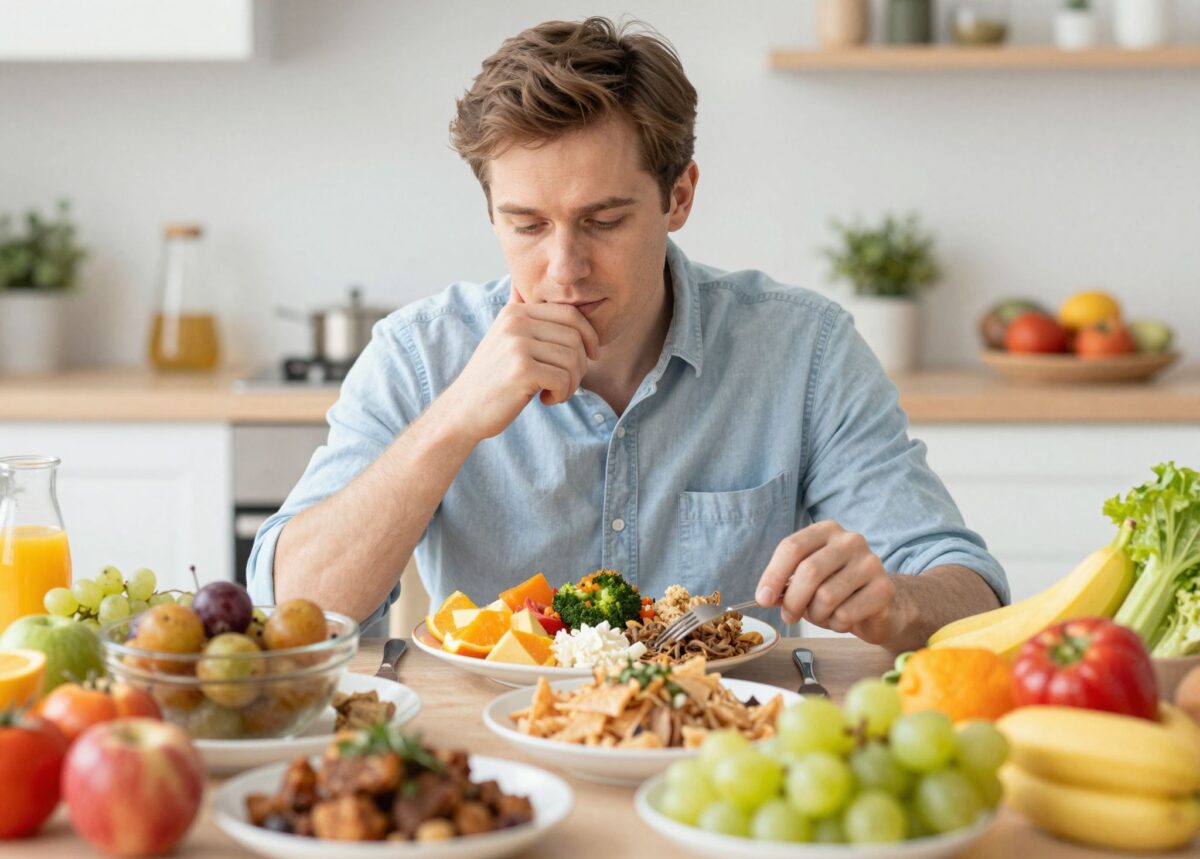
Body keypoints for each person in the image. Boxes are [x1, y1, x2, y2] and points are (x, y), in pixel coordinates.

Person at [247, 17, 1007, 653]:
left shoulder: (803, 350)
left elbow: (971, 593)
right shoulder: (420, 355)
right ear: (490, 214)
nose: (564, 267)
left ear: (679, 196)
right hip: (494, 757)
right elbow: (295, 614)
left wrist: (897, 603)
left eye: (604, 221)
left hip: (725, 754)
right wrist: (451, 422)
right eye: (526, 224)